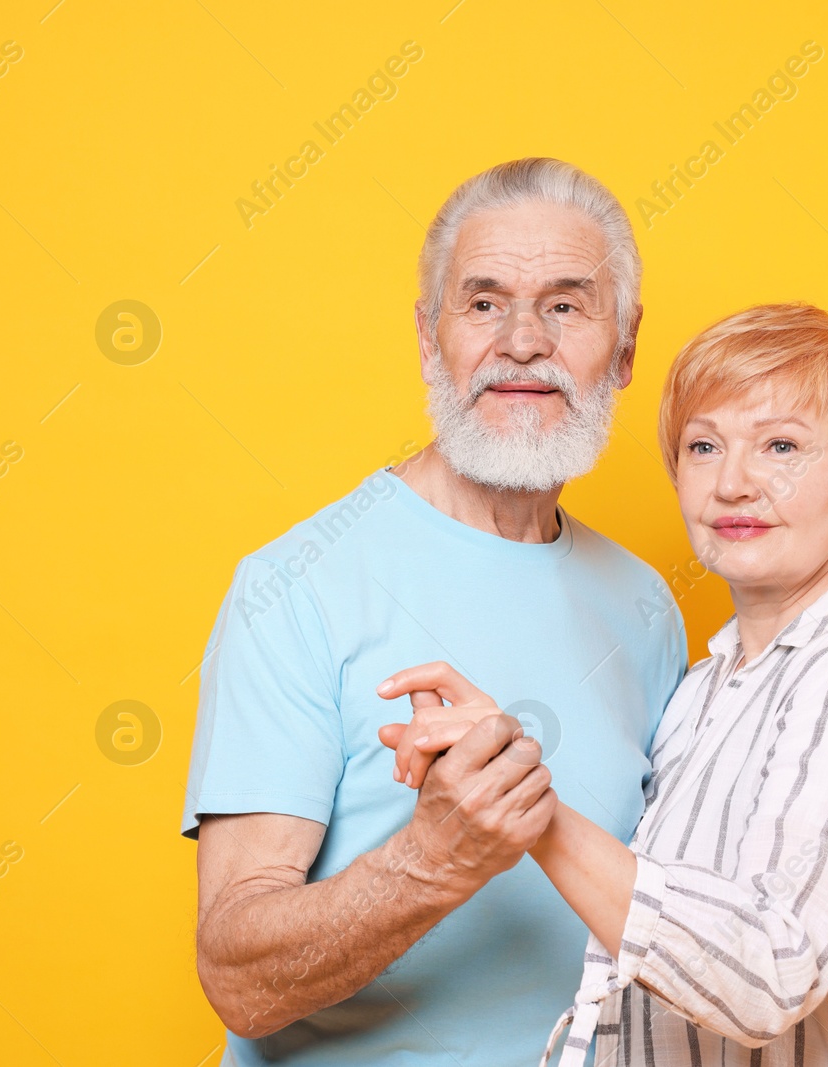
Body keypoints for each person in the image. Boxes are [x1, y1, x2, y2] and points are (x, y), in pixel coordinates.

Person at [182, 157, 690, 1063]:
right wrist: (436, 858)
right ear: (429, 334)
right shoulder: (294, 585)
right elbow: (238, 979)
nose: (524, 342)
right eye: (484, 302)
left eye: (567, 305)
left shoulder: (646, 604)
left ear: (626, 344)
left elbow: (673, 902)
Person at [380, 304, 828, 1066]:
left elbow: (769, 974)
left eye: (782, 446)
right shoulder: (710, 684)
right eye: (704, 446)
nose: (733, 483)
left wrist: (522, 799)